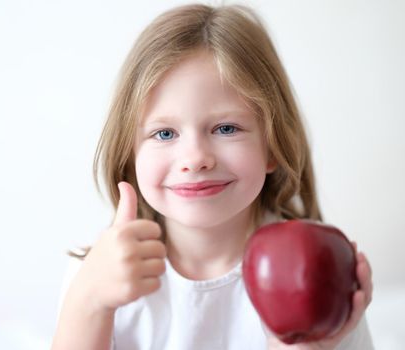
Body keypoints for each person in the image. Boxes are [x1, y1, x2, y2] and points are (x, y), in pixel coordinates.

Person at [51, 3, 374, 350]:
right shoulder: (99, 272)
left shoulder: (319, 274)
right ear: (131, 155)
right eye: (164, 134)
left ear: (274, 145)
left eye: (225, 128)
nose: (195, 159)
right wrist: (88, 302)